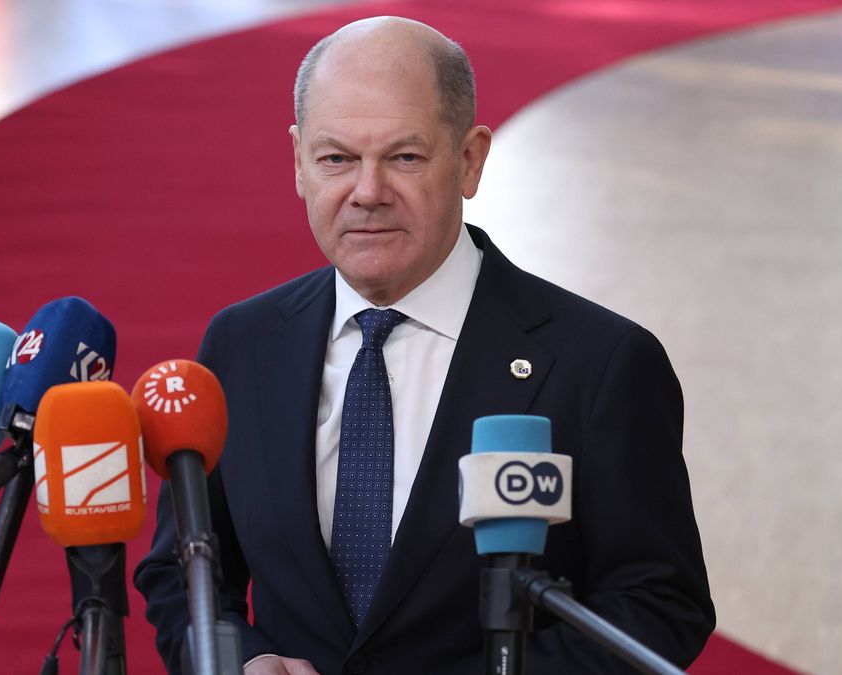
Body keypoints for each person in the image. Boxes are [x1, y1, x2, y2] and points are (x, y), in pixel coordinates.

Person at [135, 16, 714, 675]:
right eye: (336, 159)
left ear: (469, 160)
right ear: (298, 162)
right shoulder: (241, 344)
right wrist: (242, 660)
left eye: (404, 157)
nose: (368, 192)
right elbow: (183, 569)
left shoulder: (600, 364)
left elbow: (659, 603)